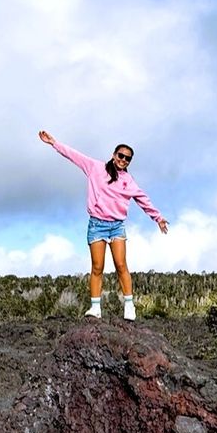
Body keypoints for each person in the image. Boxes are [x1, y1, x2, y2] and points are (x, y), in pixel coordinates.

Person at [38, 130, 168, 320]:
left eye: (128, 158)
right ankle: (95, 308)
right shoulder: (96, 168)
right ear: (114, 155)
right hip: (97, 225)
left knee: (121, 265)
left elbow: (142, 199)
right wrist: (54, 143)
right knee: (97, 267)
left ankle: (129, 306)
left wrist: (158, 218)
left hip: (117, 226)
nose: (123, 160)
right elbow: (74, 155)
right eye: (121, 156)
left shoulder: (128, 181)